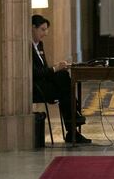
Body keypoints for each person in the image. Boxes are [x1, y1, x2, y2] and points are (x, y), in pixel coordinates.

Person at [32, 14, 91, 144]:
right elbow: (35, 73)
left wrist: (57, 68)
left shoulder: (39, 45)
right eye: (42, 29)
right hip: (36, 87)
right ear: (33, 28)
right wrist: (55, 69)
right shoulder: (28, 48)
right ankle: (73, 122)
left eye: (46, 29)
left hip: (44, 83)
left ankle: (73, 130)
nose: (45, 33)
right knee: (64, 88)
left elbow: (45, 70)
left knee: (63, 77)